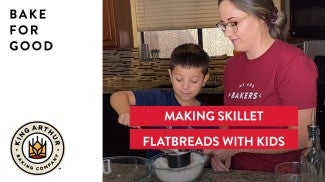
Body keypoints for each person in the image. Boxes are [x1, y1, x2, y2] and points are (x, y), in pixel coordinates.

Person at [203, 0, 318, 172]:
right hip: (236, 172)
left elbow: (302, 136)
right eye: (224, 24)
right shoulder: (233, 65)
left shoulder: (293, 63)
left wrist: (238, 143)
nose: (227, 32)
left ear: (261, 18)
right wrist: (220, 153)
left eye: (233, 23)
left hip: (278, 174)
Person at [110, 43, 210, 158]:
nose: (185, 86)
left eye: (193, 81)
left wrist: (212, 157)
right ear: (171, 76)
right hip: (155, 173)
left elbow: (207, 156)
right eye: (179, 79)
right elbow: (118, 96)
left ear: (204, 80)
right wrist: (125, 112)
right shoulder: (157, 98)